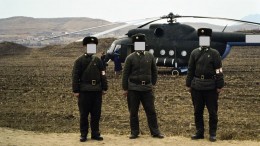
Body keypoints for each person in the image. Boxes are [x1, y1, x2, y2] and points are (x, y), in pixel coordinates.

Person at [122, 33, 164, 139]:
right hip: (133, 89)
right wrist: (125, 88)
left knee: (151, 111)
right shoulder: (130, 58)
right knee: (133, 112)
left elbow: (154, 71)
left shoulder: (150, 56)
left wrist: (153, 83)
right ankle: (134, 132)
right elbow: (125, 74)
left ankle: (155, 132)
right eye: (137, 43)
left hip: (147, 89)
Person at [186, 28, 224, 142]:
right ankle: (199, 132)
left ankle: (212, 133)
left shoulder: (214, 53)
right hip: (197, 86)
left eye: (205, 38)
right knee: (198, 111)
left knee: (212, 112)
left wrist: (219, 85)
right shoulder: (194, 53)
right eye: (201, 38)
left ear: (209, 39)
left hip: (211, 87)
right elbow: (190, 69)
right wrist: (188, 84)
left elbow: (218, 70)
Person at [72, 36, 108, 142]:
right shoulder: (79, 60)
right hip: (84, 91)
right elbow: (75, 76)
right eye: (89, 46)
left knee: (96, 114)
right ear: (85, 46)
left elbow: (103, 74)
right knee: (84, 114)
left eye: (93, 46)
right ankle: (83, 134)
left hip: (97, 91)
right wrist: (76, 90)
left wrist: (104, 87)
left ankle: (95, 133)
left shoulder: (98, 60)